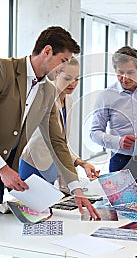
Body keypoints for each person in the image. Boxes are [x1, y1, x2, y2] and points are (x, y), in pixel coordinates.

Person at [0, 26, 100, 258]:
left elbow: (57, 141)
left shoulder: (47, 91)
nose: (65, 67)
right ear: (47, 51)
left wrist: (76, 189)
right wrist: (2, 169)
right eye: (63, 60)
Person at [89, 46, 137, 192]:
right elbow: (94, 133)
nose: (125, 78)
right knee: (119, 211)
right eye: (120, 73)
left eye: (130, 72)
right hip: (120, 162)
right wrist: (117, 141)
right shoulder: (106, 96)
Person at [19, 57, 99, 186]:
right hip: (34, 163)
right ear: (55, 75)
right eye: (67, 78)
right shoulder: (43, 99)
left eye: (77, 79)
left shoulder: (68, 100)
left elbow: (62, 142)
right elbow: (52, 142)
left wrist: (82, 163)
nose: (73, 83)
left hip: (53, 165)